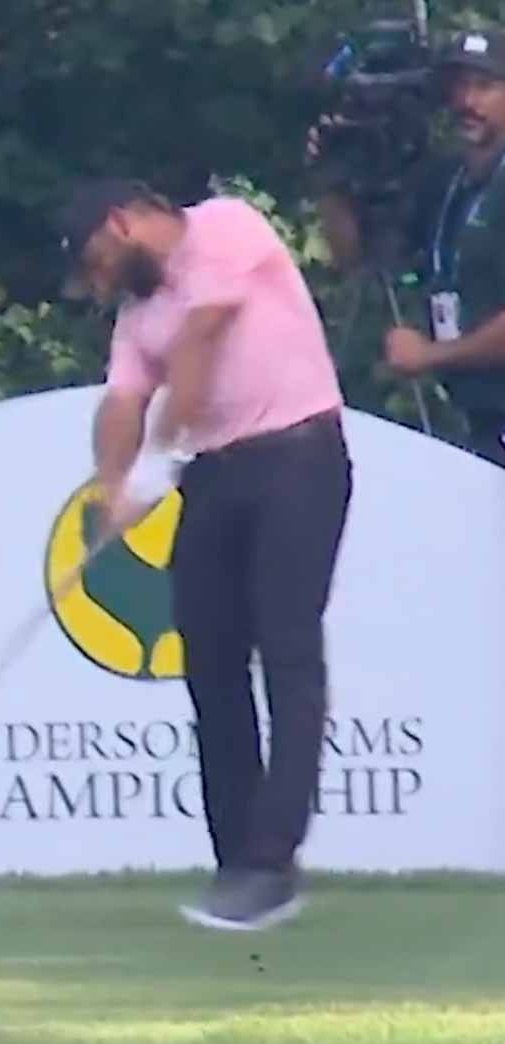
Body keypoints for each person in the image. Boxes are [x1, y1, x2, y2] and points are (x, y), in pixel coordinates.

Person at [55, 178, 353, 931]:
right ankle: (236, 860)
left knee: (286, 648)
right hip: (216, 475)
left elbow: (203, 335)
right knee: (210, 658)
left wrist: (159, 458)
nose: (96, 282)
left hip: (299, 457)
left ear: (119, 222)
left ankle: (272, 861)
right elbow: (123, 397)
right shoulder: (137, 311)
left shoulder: (225, 226)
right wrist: (111, 491)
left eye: (94, 261)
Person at [323, 29, 505, 464]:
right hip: (473, 409)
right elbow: (354, 256)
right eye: (457, 88)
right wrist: (331, 179)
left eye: (484, 86)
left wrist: (432, 354)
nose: (467, 102)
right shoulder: (445, 182)